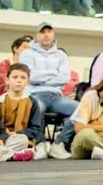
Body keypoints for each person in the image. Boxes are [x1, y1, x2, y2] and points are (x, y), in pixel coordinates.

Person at [18, 23, 76, 159]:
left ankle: (59, 143)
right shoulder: (26, 54)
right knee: (35, 107)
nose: (46, 35)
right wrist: (53, 73)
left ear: (53, 34)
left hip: (56, 96)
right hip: (35, 94)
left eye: (49, 31)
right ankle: (40, 144)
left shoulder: (61, 55)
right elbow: (31, 77)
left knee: (79, 109)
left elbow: (64, 78)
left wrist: (41, 77)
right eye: (42, 32)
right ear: (37, 36)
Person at [0, 63, 43, 161]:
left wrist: (17, 133)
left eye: (23, 78)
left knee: (22, 140)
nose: (19, 81)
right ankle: (11, 154)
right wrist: (3, 135)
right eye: (15, 77)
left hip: (19, 138)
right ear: (7, 80)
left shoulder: (32, 102)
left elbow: (36, 129)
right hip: (0, 138)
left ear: (27, 82)